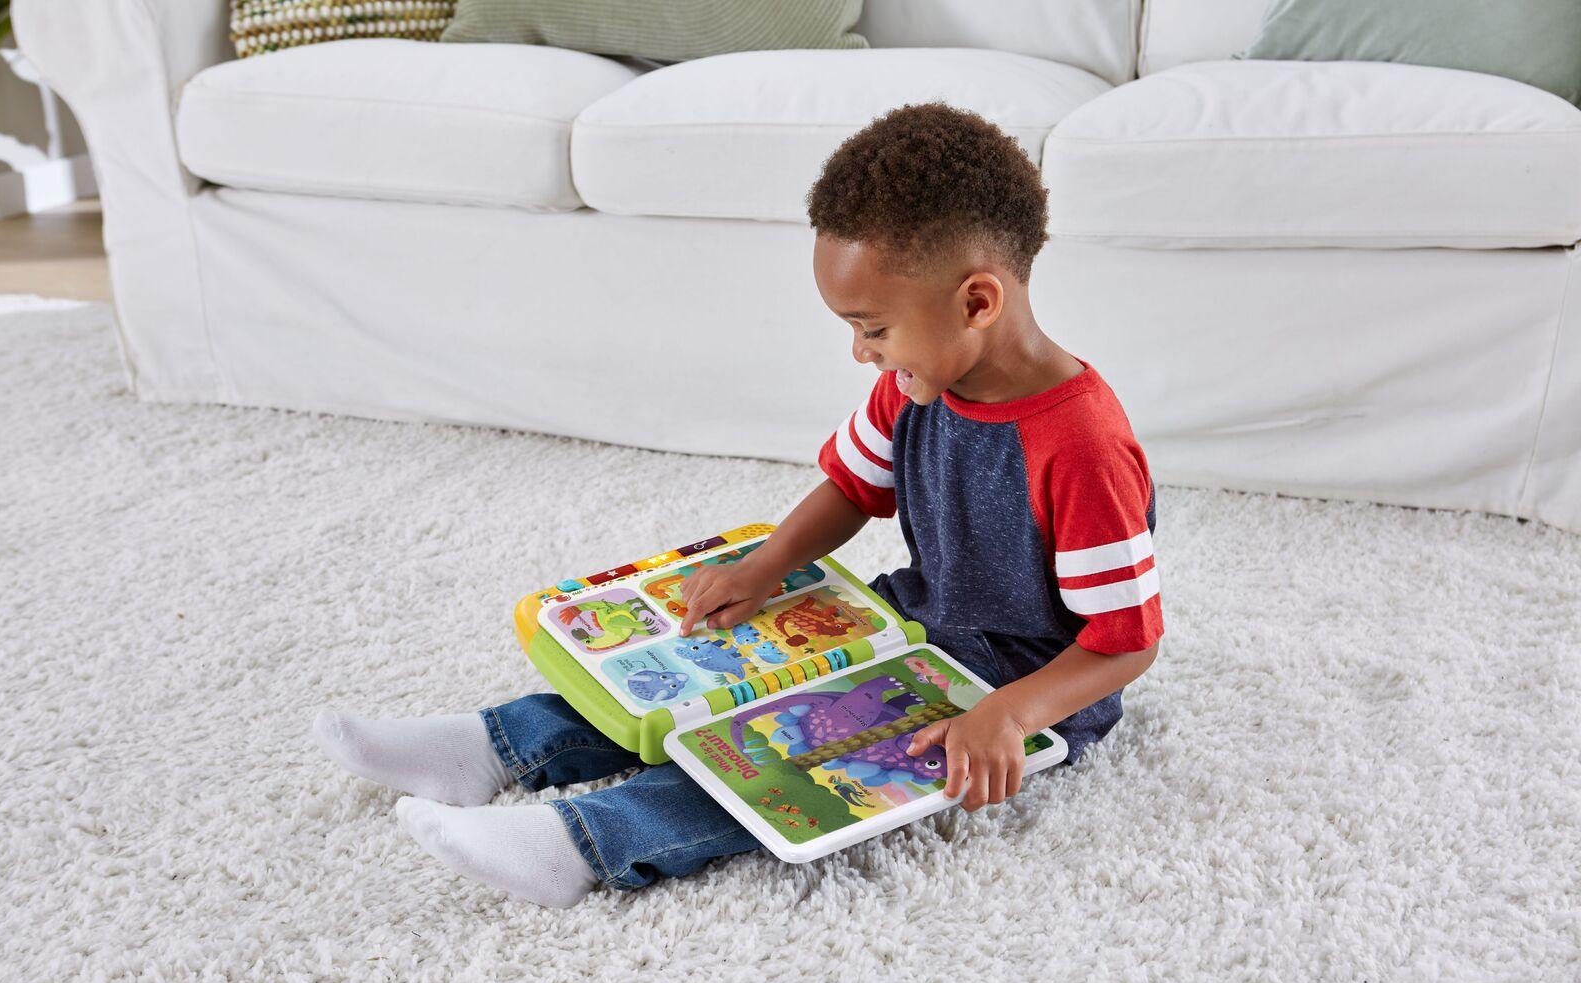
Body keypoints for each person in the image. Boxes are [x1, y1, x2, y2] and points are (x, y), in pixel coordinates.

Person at [313, 102, 1163, 908]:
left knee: (787, 760)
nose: (860, 351)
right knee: (718, 672)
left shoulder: (1081, 443)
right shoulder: (915, 384)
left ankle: (577, 844)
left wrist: (1008, 713)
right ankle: (487, 748)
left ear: (977, 301)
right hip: (913, 618)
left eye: (873, 328)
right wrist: (766, 566)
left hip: (1024, 678)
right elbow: (852, 488)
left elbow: (1125, 640)